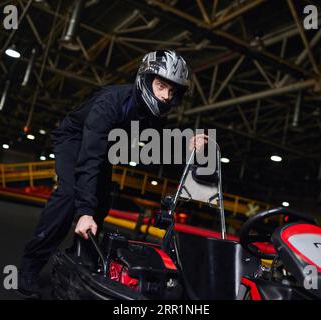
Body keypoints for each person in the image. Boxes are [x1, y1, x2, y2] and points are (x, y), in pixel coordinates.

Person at [16, 50, 206, 299]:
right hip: (76, 139)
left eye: (172, 92)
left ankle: (77, 258)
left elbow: (155, 141)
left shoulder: (155, 115)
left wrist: (185, 144)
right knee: (70, 196)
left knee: (102, 200)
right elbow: (89, 158)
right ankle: (29, 268)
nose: (165, 96)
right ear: (145, 80)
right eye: (161, 86)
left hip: (104, 146)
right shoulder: (110, 102)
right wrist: (84, 212)